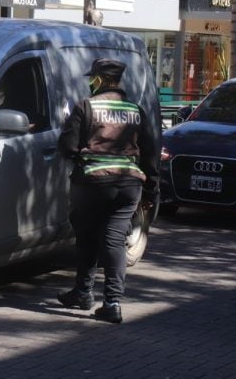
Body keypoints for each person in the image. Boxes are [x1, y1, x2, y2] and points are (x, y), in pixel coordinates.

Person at [56, 58, 159, 324]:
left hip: (92, 183)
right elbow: (150, 152)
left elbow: (67, 147)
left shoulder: (86, 107)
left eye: (93, 78)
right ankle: (112, 303)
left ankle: (83, 292)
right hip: (129, 185)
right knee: (114, 241)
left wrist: (82, 154)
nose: (91, 81)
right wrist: (152, 190)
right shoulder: (135, 110)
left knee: (87, 238)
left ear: (99, 80)